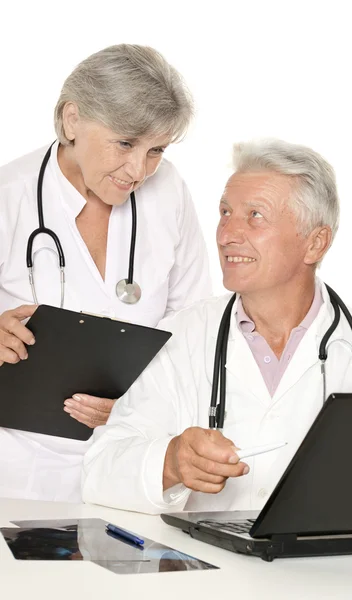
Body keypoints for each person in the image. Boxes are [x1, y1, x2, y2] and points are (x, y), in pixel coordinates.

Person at [82, 138, 352, 514]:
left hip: (330, 571)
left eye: (255, 216)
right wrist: (171, 462)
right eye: (225, 212)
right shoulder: (180, 337)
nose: (226, 234)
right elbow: (98, 470)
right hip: (210, 571)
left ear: (315, 244)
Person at [0, 44, 211, 502]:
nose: (139, 169)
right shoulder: (8, 195)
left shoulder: (169, 190)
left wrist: (136, 406)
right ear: (72, 119)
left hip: (131, 460)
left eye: (155, 149)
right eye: (125, 143)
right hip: (17, 467)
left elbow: (193, 325)